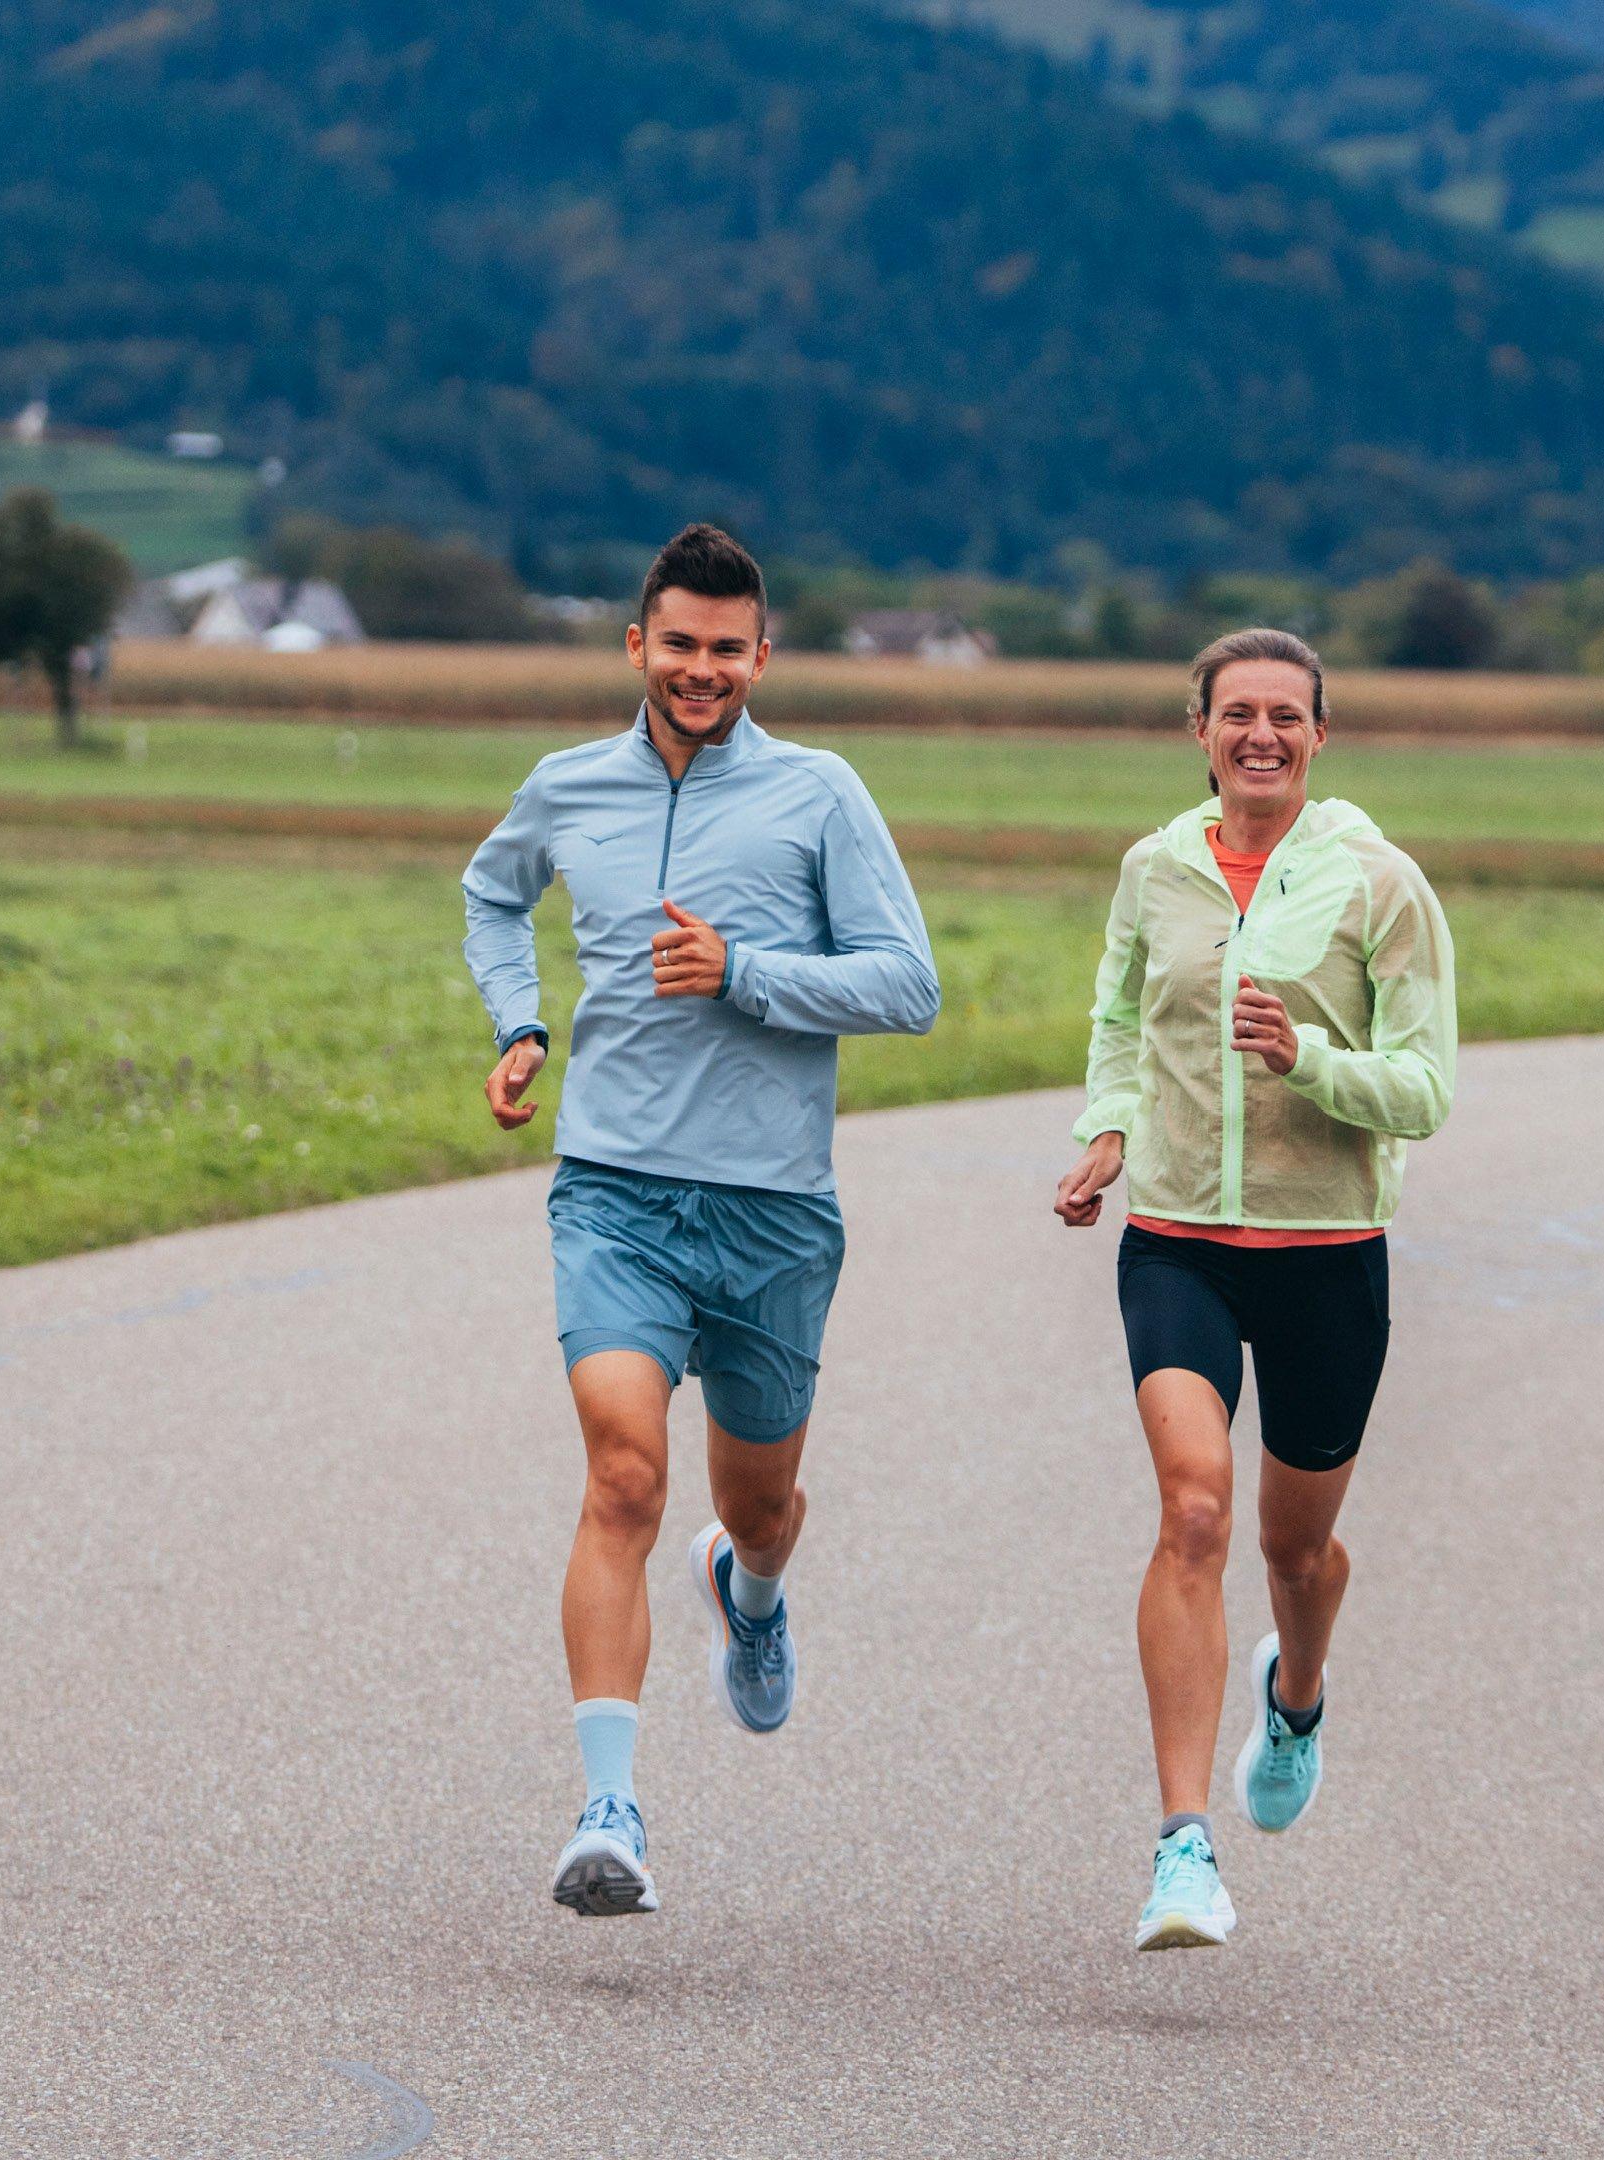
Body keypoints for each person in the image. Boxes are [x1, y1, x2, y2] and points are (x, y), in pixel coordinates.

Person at [460, 523, 941, 1917]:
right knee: (621, 1472)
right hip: (613, 1186)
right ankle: (607, 1811)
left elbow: (909, 986)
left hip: (774, 1210)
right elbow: (493, 896)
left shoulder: (819, 793)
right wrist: (520, 1022)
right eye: (679, 643)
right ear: (637, 645)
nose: (701, 669)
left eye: (728, 649)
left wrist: (746, 975)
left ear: (760, 656)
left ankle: (753, 1585)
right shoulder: (567, 787)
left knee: (761, 1499)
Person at [1052, 627, 1458, 1950]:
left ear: (1319, 735)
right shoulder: (1154, 872)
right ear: (1202, 728)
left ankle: (1299, 1694)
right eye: (1239, 714)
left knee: (1295, 1549)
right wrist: (1105, 1136)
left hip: (1328, 1254)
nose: (1261, 735)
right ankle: (1183, 1850)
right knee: (1194, 1510)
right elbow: (1122, 1022)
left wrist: (1311, 1064)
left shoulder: (1378, 885)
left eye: (1286, 714)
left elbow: (1427, 1089)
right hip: (1177, 1239)